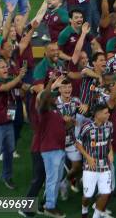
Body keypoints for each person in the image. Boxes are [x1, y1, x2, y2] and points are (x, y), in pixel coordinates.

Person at [0, 59, 27, 194]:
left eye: (6, 66)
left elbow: (22, 89)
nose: (5, 68)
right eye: (2, 67)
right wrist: (19, 77)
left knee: (9, 151)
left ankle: (6, 177)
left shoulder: (10, 79)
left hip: (9, 122)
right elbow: (7, 88)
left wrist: (26, 88)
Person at [75, 103, 114, 218]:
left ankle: (96, 216)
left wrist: (110, 152)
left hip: (105, 165)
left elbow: (109, 141)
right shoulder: (87, 127)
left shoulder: (109, 125)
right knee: (88, 195)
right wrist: (88, 157)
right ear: (97, 114)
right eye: (106, 113)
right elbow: (78, 144)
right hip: (90, 166)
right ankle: (84, 209)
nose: (109, 114)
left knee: (106, 193)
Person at [37, 75, 68, 218]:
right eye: (53, 96)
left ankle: (49, 202)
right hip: (50, 150)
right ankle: (50, 206)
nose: (55, 98)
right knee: (52, 179)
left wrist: (69, 122)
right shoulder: (43, 110)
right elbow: (44, 97)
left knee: (57, 178)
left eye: (55, 96)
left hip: (59, 149)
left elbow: (60, 127)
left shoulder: (56, 110)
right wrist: (51, 82)